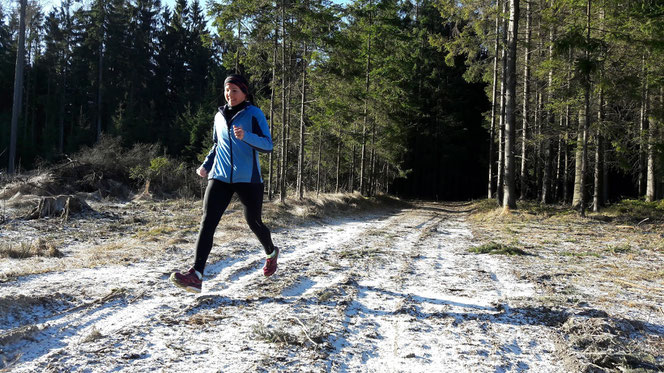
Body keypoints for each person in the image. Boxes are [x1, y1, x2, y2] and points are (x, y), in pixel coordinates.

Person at [170, 74, 278, 293]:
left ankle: (271, 252)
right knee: (207, 222)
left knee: (254, 222)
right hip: (219, 176)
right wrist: (206, 165)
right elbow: (217, 145)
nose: (230, 94)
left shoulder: (254, 114)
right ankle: (196, 275)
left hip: (248, 178)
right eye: (227, 90)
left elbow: (268, 145)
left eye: (235, 90)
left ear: (245, 92)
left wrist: (246, 136)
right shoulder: (219, 116)